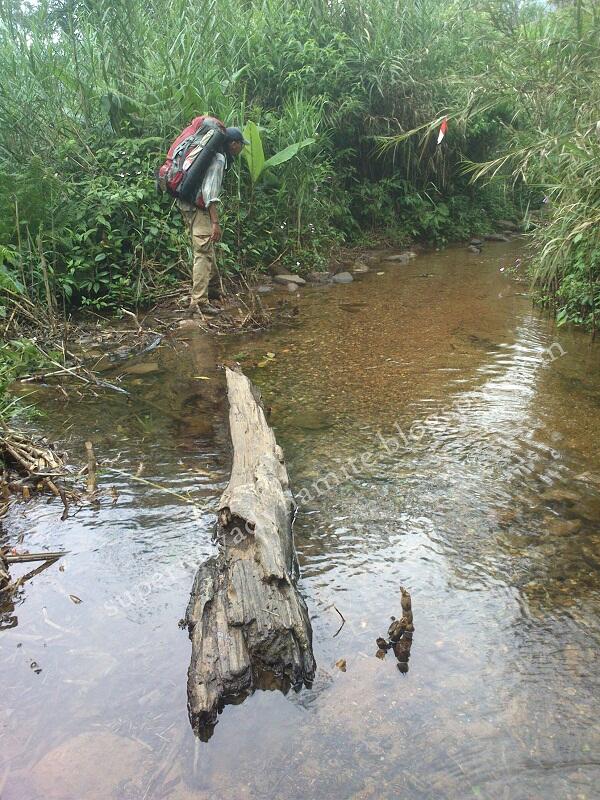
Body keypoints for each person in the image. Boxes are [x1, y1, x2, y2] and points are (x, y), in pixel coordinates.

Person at [177, 126, 248, 315]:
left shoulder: (208, 154)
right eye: (241, 144)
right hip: (198, 207)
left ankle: (214, 289)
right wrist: (215, 222)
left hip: (186, 203)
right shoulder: (218, 158)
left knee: (206, 245)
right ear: (233, 144)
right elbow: (209, 193)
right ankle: (199, 302)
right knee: (203, 251)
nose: (241, 148)